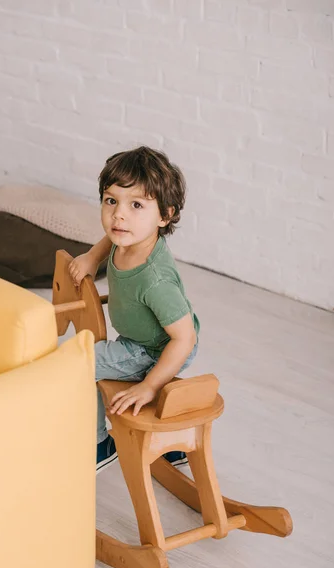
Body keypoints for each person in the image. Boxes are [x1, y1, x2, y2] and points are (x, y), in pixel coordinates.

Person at [69, 146, 200, 472]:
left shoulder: (156, 281)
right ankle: (169, 450)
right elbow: (110, 239)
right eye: (111, 200)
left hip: (153, 349)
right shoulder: (129, 234)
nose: (118, 215)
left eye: (136, 205)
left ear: (165, 216)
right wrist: (91, 258)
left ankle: (99, 445)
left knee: (80, 364)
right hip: (145, 339)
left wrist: (149, 384)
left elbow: (184, 340)